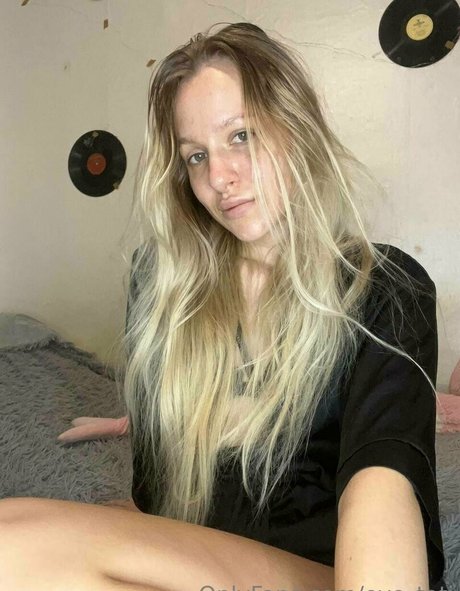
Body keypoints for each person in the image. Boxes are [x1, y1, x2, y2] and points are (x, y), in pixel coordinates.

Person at [0, 21, 447, 591]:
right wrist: (122, 540)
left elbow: (381, 485)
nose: (218, 176)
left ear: (296, 127)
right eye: (195, 156)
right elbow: (158, 494)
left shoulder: (385, 286)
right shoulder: (162, 289)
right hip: (210, 567)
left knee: (13, 540)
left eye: (240, 136)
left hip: (337, 572)